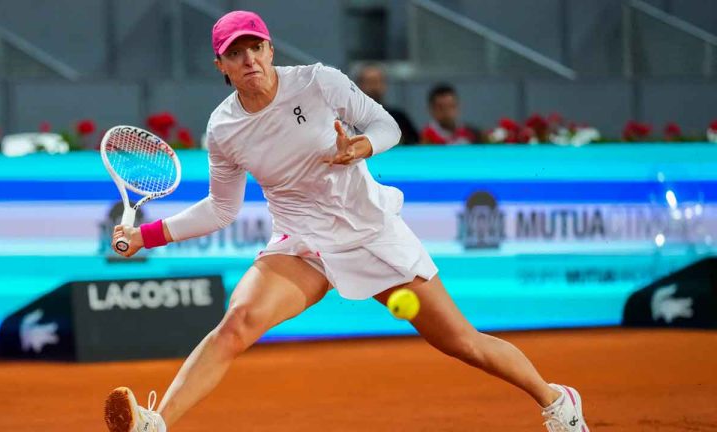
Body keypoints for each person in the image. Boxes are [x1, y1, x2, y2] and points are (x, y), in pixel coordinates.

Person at [103, 10, 590, 432]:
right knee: (237, 323)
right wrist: (146, 235)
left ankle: (555, 399)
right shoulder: (224, 129)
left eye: (256, 47)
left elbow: (388, 125)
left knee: (462, 342)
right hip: (303, 242)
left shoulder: (318, 81)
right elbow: (222, 208)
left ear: (270, 50)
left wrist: (363, 145)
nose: (249, 59)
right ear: (221, 66)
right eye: (236, 53)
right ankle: (157, 422)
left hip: (369, 233)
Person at [355, 63, 419, 144]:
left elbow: (414, 146)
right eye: (369, 82)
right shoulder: (348, 119)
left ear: (384, 85)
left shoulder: (399, 118)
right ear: (358, 86)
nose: (374, 87)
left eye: (377, 82)